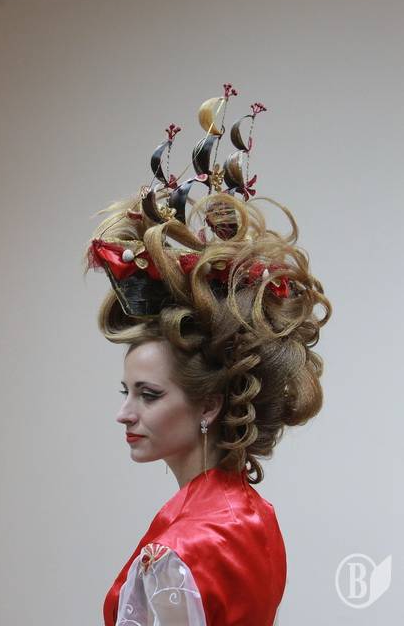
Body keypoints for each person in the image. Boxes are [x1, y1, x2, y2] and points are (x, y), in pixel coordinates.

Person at [82, 84, 332, 625]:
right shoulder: (252, 516)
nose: (125, 414)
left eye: (149, 395)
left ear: (211, 404)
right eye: (127, 392)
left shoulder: (178, 554)